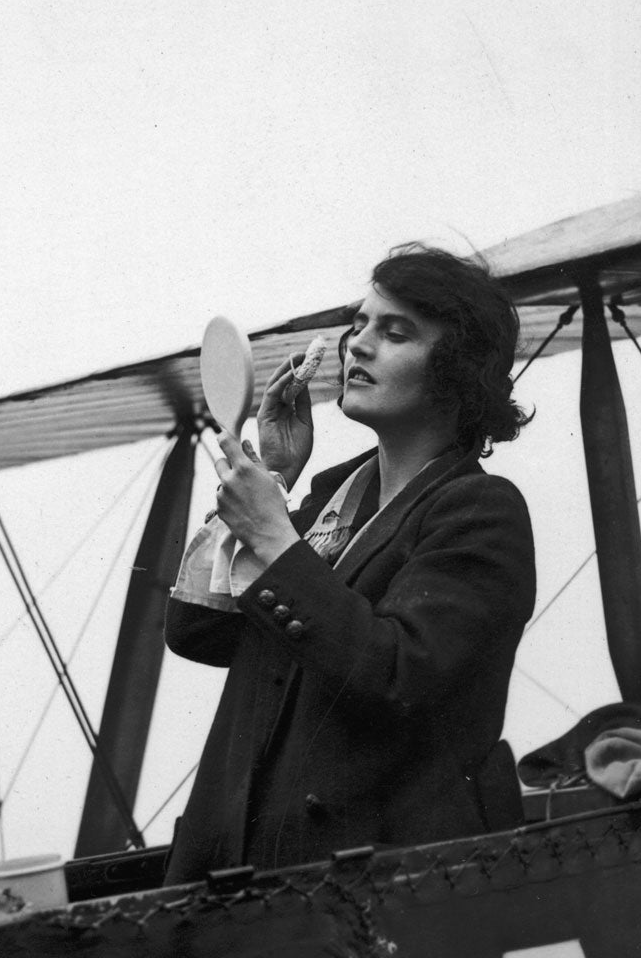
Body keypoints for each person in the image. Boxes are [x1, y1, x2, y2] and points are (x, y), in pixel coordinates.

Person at [163, 245, 535, 883]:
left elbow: (397, 676)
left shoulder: (480, 511)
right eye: (358, 325)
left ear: (458, 369)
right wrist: (273, 482)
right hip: (248, 878)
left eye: (395, 333)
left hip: (371, 893)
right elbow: (196, 631)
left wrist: (276, 541)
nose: (356, 345)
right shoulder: (328, 503)